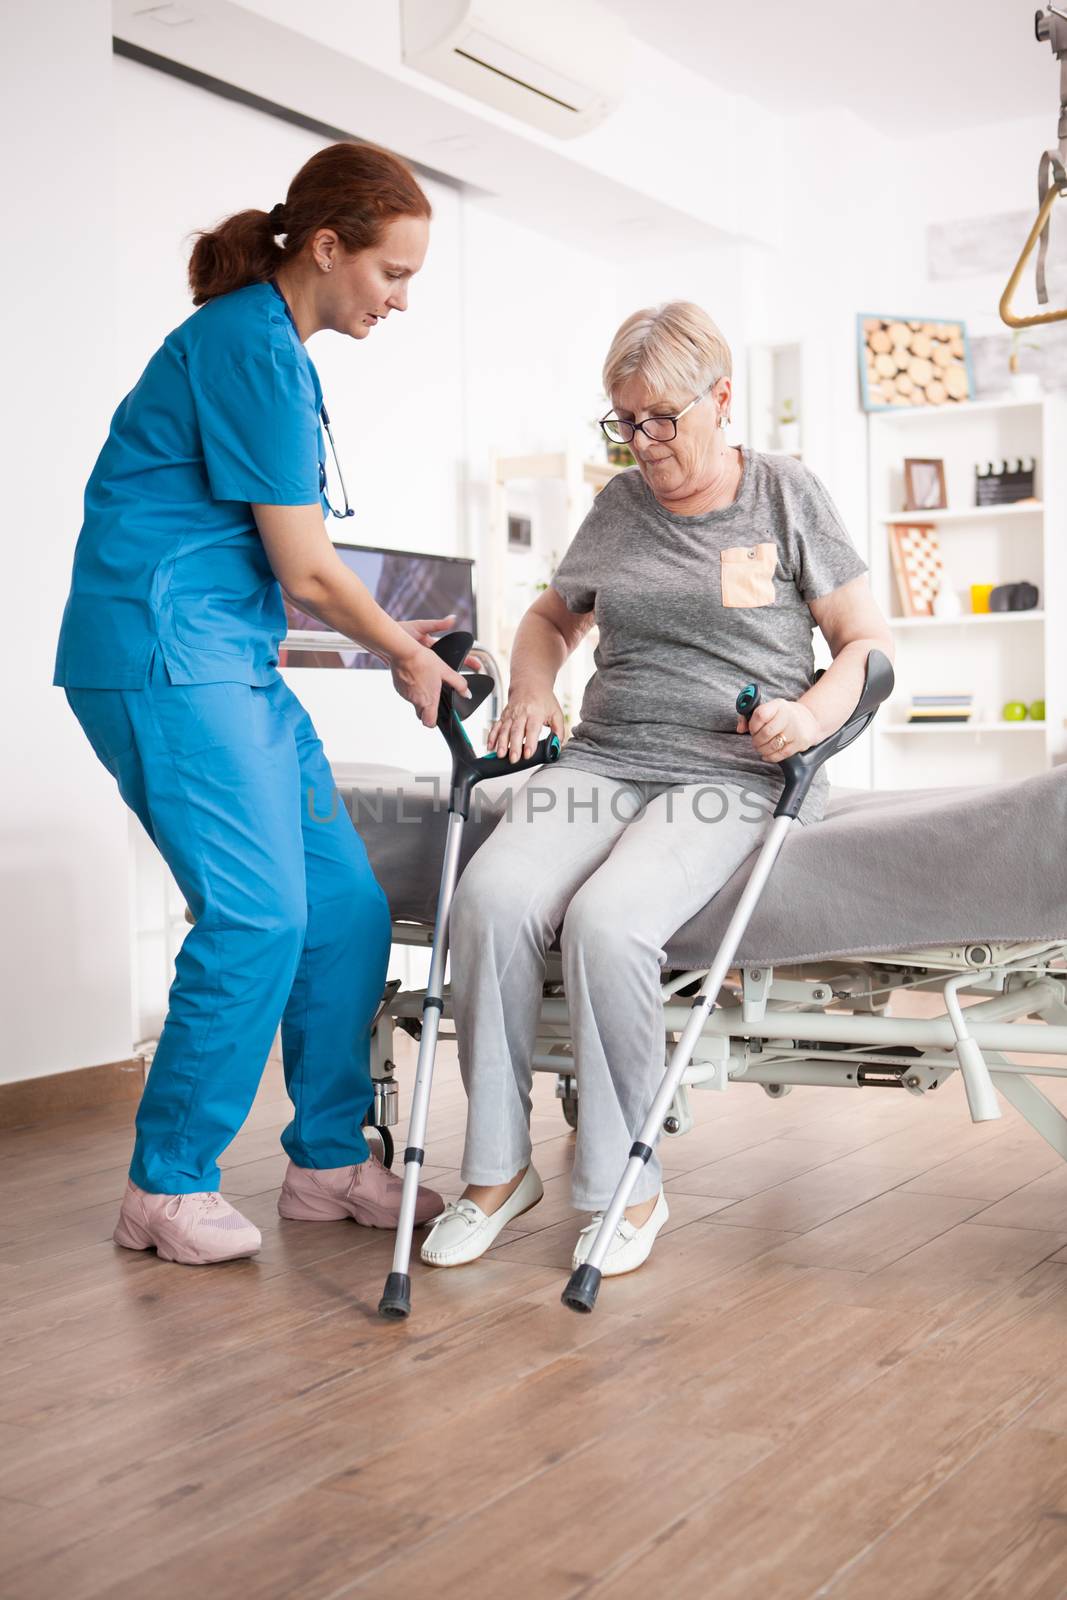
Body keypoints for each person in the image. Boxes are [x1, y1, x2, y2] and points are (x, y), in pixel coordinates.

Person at [420, 301, 893, 1278]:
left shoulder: (784, 495)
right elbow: (551, 619)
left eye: (658, 421)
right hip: (601, 753)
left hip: (725, 768)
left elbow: (864, 644)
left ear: (721, 399)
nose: (639, 444)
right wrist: (536, 685)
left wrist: (807, 717)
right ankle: (498, 1171)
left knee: (608, 921)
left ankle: (623, 1182)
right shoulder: (615, 506)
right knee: (490, 897)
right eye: (621, 422)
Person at [55, 141, 461, 1265]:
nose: (401, 299)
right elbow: (304, 566)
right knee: (257, 914)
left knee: (342, 909)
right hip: (161, 657)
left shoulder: (272, 348)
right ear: (327, 247)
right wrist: (403, 655)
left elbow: (296, 560)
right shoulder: (249, 345)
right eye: (393, 273)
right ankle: (166, 1184)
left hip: (230, 662)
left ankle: (328, 1164)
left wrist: (397, 635)